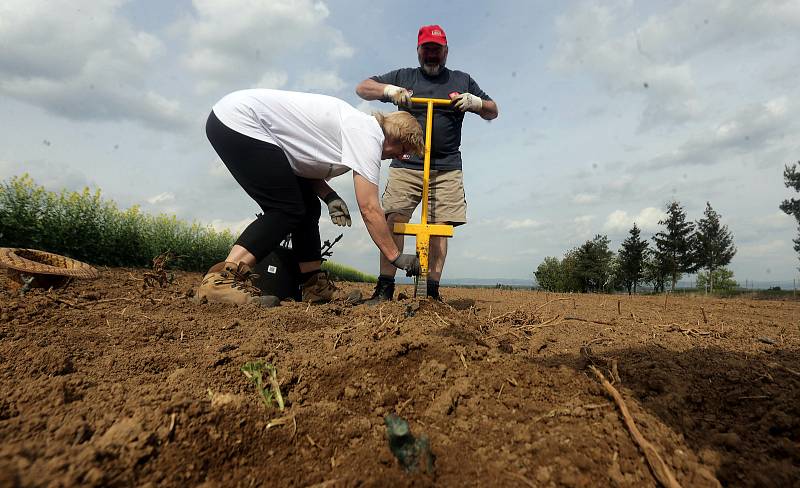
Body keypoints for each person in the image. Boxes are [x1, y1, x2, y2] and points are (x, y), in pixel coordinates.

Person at [198, 88, 424, 306]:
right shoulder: (369, 136)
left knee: (307, 207)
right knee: (286, 208)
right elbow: (369, 208)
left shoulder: (358, 128)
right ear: (398, 136)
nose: (400, 156)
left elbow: (300, 163)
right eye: (405, 150)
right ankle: (221, 281)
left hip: (238, 122)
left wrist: (329, 196)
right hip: (240, 122)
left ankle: (313, 286)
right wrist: (395, 256)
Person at [355, 24, 498, 303]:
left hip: (446, 167)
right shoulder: (404, 75)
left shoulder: (461, 79)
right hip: (406, 163)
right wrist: (389, 90)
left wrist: (476, 103)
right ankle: (385, 287)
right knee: (394, 219)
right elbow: (362, 88)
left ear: (446, 51)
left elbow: (494, 111)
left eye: (437, 50)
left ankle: (430, 292)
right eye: (427, 50)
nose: (432, 55)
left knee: (438, 226)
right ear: (419, 51)